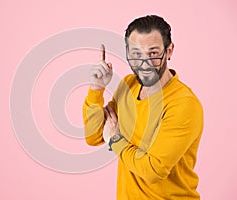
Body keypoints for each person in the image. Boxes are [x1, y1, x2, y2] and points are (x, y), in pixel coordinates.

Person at [82, 15, 203, 199]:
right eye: (136, 54)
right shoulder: (129, 84)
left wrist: (115, 140)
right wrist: (96, 90)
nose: (144, 65)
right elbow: (94, 136)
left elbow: (153, 171)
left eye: (153, 53)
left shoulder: (183, 104)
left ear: (169, 50)